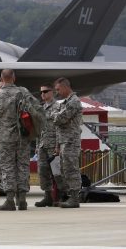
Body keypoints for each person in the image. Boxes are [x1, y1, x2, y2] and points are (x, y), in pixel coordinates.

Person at [0, 69, 37, 211]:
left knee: (7, 167)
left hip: (5, 138)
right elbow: (36, 111)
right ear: (14, 77)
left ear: (1, 78)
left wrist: (0, 127)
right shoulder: (24, 92)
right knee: (23, 166)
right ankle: (23, 200)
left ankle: (10, 200)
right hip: (23, 136)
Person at [52, 77, 83, 209]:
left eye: (58, 89)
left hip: (71, 141)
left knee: (71, 169)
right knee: (65, 170)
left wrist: (54, 115)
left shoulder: (74, 102)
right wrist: (58, 145)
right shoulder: (65, 102)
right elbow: (58, 123)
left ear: (65, 87)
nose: (57, 92)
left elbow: (60, 119)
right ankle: (70, 196)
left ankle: (75, 198)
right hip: (64, 141)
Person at [35, 82, 58, 207]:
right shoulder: (41, 108)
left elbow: (60, 128)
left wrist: (58, 145)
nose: (42, 94)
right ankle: (47, 196)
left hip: (54, 144)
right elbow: (40, 129)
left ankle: (59, 196)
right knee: (43, 171)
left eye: (45, 91)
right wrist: (38, 145)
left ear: (52, 92)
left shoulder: (58, 107)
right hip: (43, 145)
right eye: (41, 92)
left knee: (57, 172)